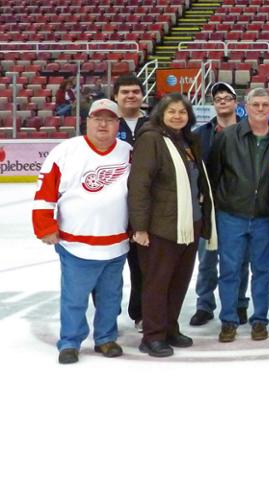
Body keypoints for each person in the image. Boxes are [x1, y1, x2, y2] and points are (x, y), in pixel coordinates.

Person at [32, 99, 131, 364]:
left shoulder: (128, 151)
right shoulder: (66, 151)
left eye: (110, 119)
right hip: (76, 244)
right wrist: (45, 226)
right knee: (74, 298)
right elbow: (45, 192)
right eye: (97, 118)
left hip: (116, 244)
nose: (103, 124)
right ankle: (70, 341)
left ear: (117, 124)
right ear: (87, 121)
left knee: (111, 298)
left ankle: (106, 338)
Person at [128, 93, 216, 357]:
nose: (178, 116)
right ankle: (152, 336)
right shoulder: (151, 139)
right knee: (157, 282)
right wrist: (140, 228)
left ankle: (169, 327)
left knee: (178, 281)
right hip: (160, 227)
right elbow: (139, 185)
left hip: (190, 223)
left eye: (182, 112)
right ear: (161, 114)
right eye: (171, 111)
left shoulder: (188, 141)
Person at [206, 87, 269, 342]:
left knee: (262, 270)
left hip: (264, 217)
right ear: (246, 108)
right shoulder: (228, 137)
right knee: (229, 270)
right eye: (255, 105)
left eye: (265, 105)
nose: (260, 109)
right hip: (231, 215)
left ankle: (259, 320)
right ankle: (228, 320)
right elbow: (214, 174)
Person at [190, 82, 249, 327]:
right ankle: (204, 304)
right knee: (207, 259)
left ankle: (238, 302)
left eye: (227, 97)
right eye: (218, 98)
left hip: (241, 207)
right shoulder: (201, 134)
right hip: (210, 208)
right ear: (213, 104)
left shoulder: (250, 131)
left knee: (239, 260)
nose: (222, 101)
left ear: (236, 102)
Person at [110, 74, 149, 329]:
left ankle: (140, 313)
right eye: (125, 92)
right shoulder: (107, 123)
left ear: (142, 95)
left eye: (135, 91)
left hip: (142, 208)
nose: (131, 95)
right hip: (112, 208)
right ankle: (107, 316)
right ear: (116, 96)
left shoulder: (153, 123)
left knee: (141, 265)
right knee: (109, 268)